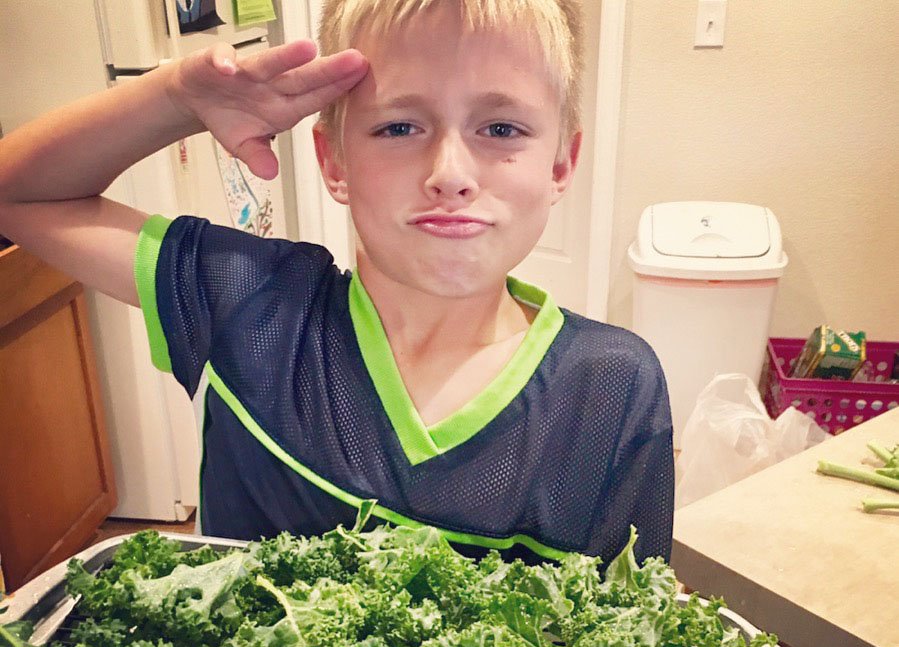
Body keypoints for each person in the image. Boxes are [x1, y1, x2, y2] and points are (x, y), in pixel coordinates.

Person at [0, 0, 673, 566]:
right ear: (334, 160)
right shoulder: (249, 308)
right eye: (399, 126)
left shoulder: (609, 389)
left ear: (561, 164)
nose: (449, 172)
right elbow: (20, 194)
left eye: (500, 127)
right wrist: (175, 96)